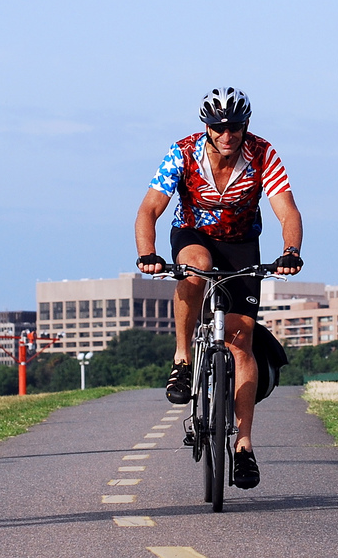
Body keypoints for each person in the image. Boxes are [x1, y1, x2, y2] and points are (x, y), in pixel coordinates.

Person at [134, 86, 303, 490]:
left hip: (242, 241)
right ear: (207, 128)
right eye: (219, 127)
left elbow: (288, 211)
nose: (227, 135)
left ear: (246, 126)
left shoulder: (262, 154)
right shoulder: (183, 152)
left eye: (235, 127)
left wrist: (291, 250)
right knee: (196, 267)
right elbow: (149, 209)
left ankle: (243, 447)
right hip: (193, 235)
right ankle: (182, 358)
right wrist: (148, 253)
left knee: (240, 340)